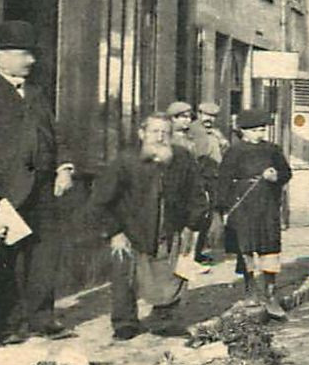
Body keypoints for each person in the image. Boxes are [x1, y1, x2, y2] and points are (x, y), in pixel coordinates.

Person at [0, 19, 76, 345]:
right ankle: (5, 325)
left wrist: (64, 168)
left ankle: (41, 318)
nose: (32, 61)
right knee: (3, 261)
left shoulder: (36, 94)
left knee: (44, 255)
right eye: (26, 54)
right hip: (1, 193)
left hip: (41, 189)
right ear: (3, 55)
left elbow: (56, 135)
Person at [90, 114, 208, 339]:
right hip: (130, 231)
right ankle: (125, 323)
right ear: (142, 134)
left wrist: (192, 226)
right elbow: (100, 200)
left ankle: (166, 320)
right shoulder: (125, 161)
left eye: (165, 132)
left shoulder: (182, 158)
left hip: (169, 228)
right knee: (125, 275)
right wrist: (115, 232)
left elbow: (196, 195)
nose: (160, 137)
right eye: (155, 131)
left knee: (173, 274)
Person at [218, 109, 293, 318]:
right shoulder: (234, 151)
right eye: (255, 130)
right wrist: (222, 207)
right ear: (243, 131)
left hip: (267, 205)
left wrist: (276, 176)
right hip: (243, 206)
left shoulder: (273, 150)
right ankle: (250, 290)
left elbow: (287, 173)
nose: (260, 133)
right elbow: (223, 179)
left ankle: (270, 290)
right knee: (246, 248)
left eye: (262, 129)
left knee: (269, 246)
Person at [189, 102, 228, 264]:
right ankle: (191, 254)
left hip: (213, 178)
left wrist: (222, 142)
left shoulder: (215, 133)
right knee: (197, 216)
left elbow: (222, 154)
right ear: (199, 114)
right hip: (199, 178)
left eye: (212, 116)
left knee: (208, 217)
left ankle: (198, 252)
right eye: (206, 115)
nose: (209, 119)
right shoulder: (193, 131)